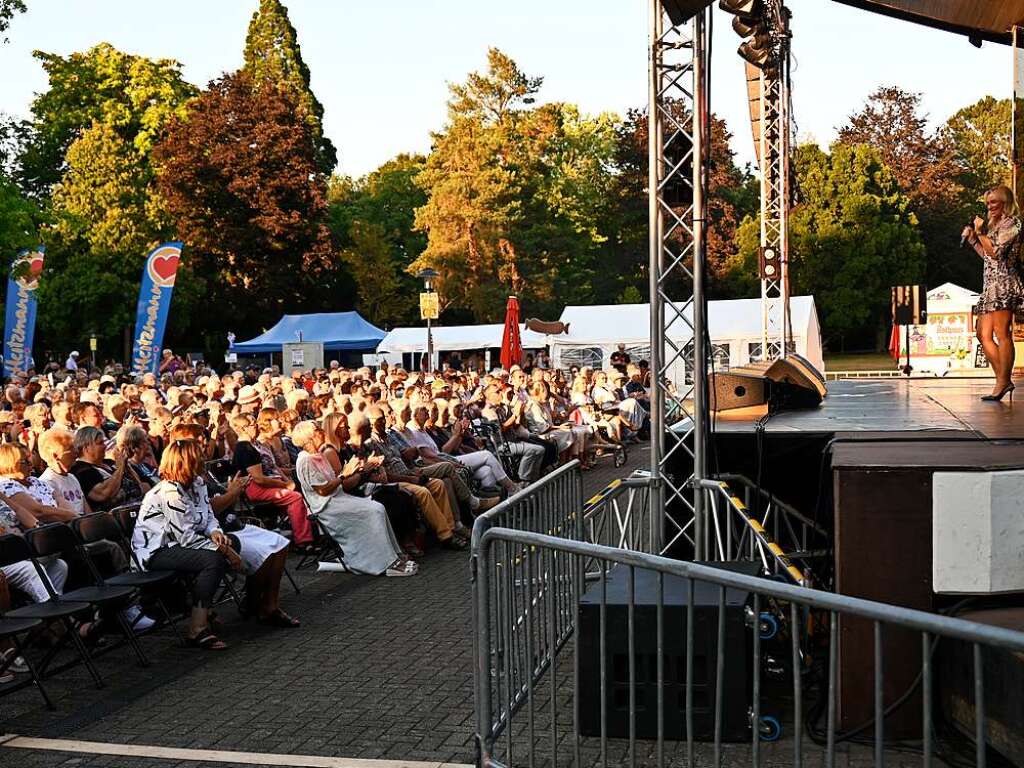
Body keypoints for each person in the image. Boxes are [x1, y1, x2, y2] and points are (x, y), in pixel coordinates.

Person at [133, 440, 298, 651]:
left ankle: (260, 605)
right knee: (213, 559)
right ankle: (197, 627)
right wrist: (225, 551)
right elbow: (186, 537)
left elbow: (208, 517)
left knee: (231, 545)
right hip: (157, 550)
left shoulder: (197, 484)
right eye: (198, 456)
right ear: (186, 462)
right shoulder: (169, 492)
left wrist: (216, 533)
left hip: (183, 543)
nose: (203, 459)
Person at [292, 421, 417, 576]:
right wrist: (345, 474)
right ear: (310, 437)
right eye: (318, 430)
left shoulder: (318, 455)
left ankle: (393, 554)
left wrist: (350, 471)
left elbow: (333, 481)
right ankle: (385, 562)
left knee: (378, 507)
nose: (323, 431)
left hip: (339, 498)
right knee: (374, 511)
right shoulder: (305, 461)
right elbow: (323, 490)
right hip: (327, 506)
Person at [963, 184, 1024, 401]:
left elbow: (997, 253)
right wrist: (973, 239)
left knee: (1002, 333)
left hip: (1005, 283)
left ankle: (1002, 381)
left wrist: (980, 233)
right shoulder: (994, 225)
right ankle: (1003, 379)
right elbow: (987, 255)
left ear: (1005, 203)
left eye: (994, 202)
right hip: (989, 285)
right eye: (988, 203)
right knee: (982, 334)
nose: (990, 207)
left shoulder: (1012, 223)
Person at [230, 413, 313, 548]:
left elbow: (273, 466)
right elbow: (259, 479)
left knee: (302, 486)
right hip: (256, 488)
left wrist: (288, 481)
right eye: (253, 424)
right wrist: (285, 485)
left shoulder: (256, 443)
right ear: (243, 428)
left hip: (271, 482)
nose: (257, 426)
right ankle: (303, 541)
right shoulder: (245, 448)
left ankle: (303, 529)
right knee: (295, 497)